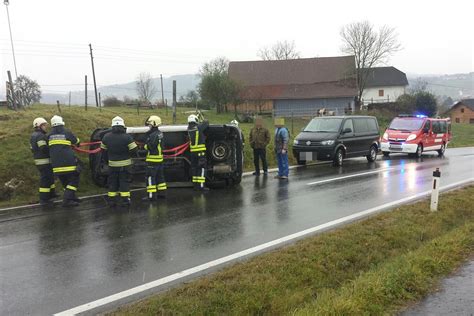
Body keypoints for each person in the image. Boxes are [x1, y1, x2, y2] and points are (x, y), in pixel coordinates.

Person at [100, 116, 138, 207]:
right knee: (124, 182)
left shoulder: (106, 137)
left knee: (112, 182)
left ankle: (111, 201)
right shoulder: (127, 137)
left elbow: (103, 151)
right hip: (125, 165)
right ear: (123, 126)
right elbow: (134, 150)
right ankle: (125, 200)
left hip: (112, 165)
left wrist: (107, 161)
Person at [47, 115, 82, 206]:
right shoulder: (66, 132)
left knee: (66, 182)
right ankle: (67, 200)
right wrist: (77, 143)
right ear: (62, 123)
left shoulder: (49, 135)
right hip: (69, 163)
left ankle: (72, 197)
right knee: (74, 181)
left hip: (56, 166)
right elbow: (76, 141)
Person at [30, 117, 58, 205]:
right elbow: (43, 148)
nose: (46, 127)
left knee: (50, 178)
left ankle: (52, 194)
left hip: (41, 161)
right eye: (44, 125)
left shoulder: (34, 135)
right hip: (44, 161)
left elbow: (33, 149)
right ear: (39, 126)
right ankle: (44, 199)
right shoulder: (40, 136)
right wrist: (53, 149)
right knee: (45, 180)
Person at [143, 115, 167, 201]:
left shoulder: (153, 135)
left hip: (152, 160)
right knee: (160, 177)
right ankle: (162, 194)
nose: (149, 126)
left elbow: (151, 146)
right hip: (159, 159)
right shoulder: (160, 133)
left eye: (149, 124)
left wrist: (144, 146)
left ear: (153, 124)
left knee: (150, 178)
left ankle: (151, 196)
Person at [187, 114, 209, 191]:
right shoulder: (198, 127)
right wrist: (203, 119)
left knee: (194, 168)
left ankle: (196, 186)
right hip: (200, 153)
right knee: (202, 168)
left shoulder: (189, 129)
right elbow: (206, 123)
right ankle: (201, 186)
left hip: (193, 153)